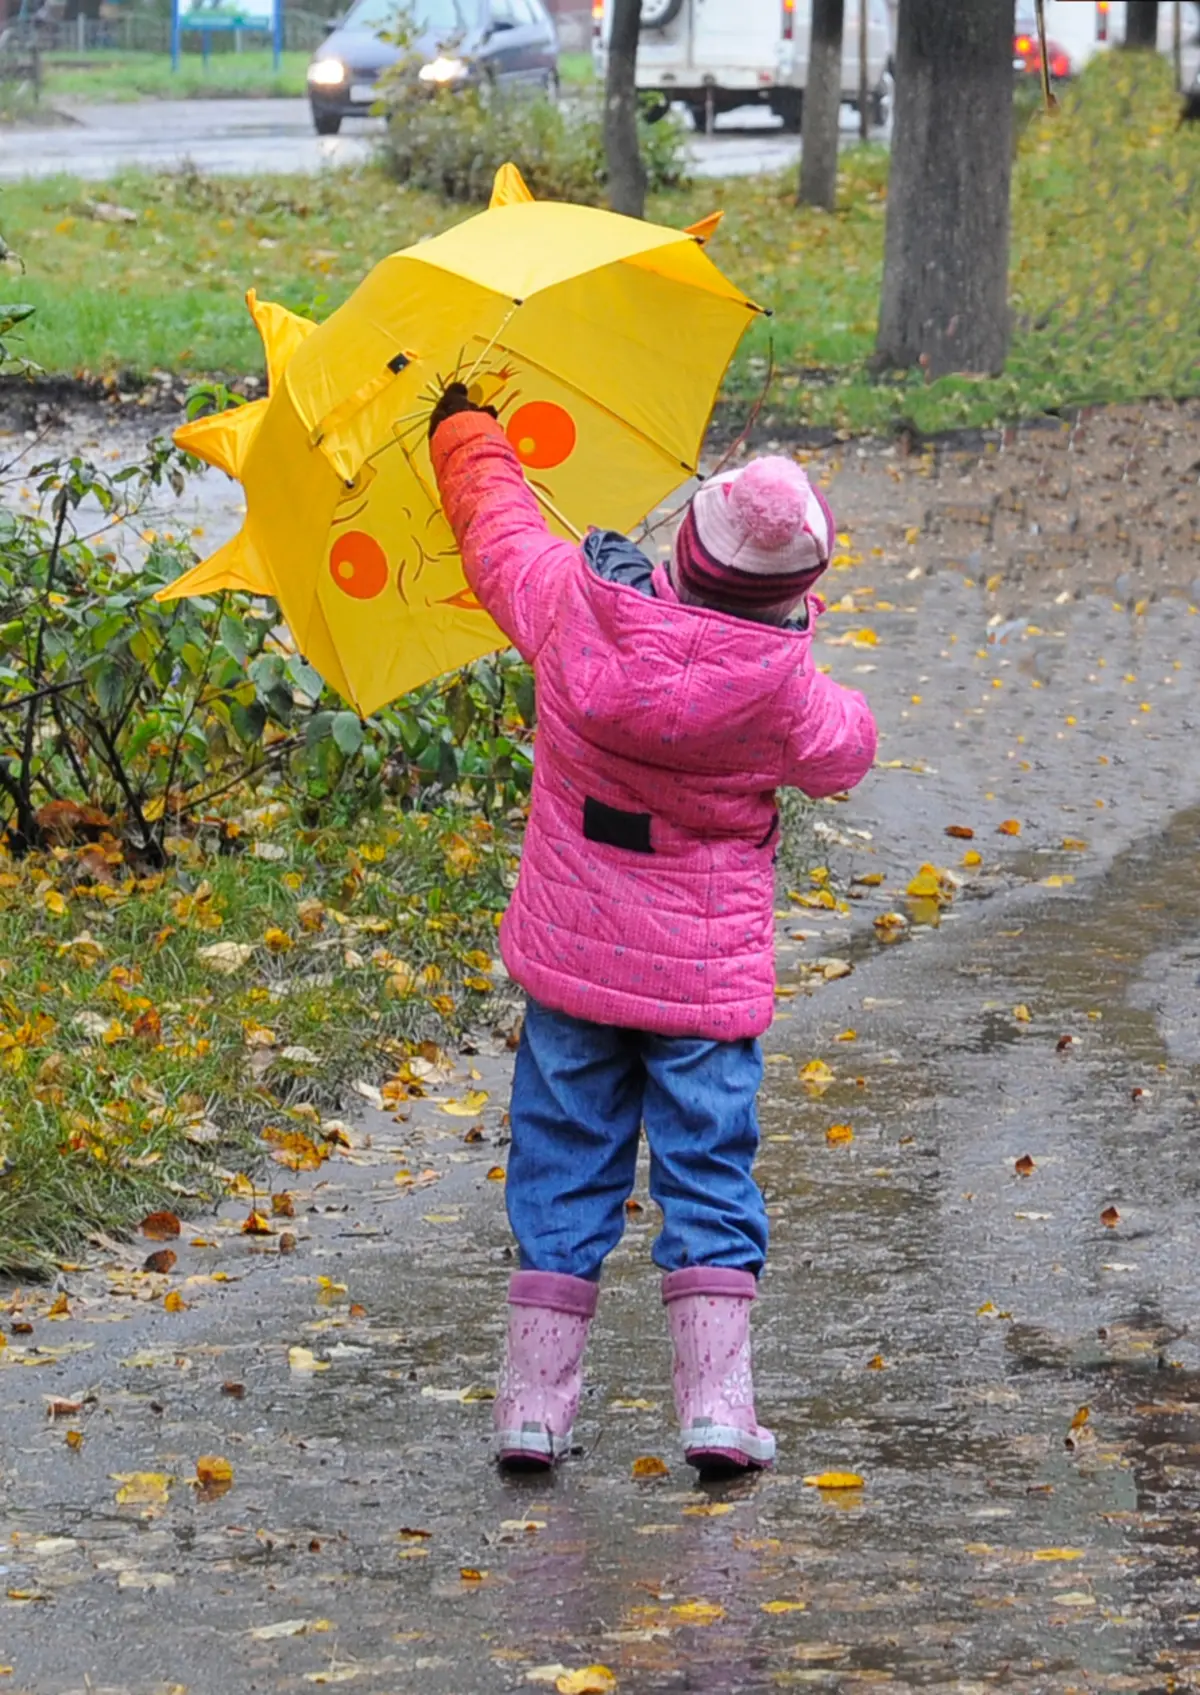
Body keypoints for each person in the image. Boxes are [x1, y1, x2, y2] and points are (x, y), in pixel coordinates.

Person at [428, 382, 877, 1477]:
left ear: (682, 546)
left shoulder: (571, 609)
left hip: (574, 974)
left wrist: (465, 431)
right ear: (793, 596)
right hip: (701, 992)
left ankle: (533, 1408)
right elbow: (847, 753)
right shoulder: (781, 691)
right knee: (708, 1175)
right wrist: (796, 648)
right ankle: (717, 1409)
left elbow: (500, 532)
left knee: (561, 1167)